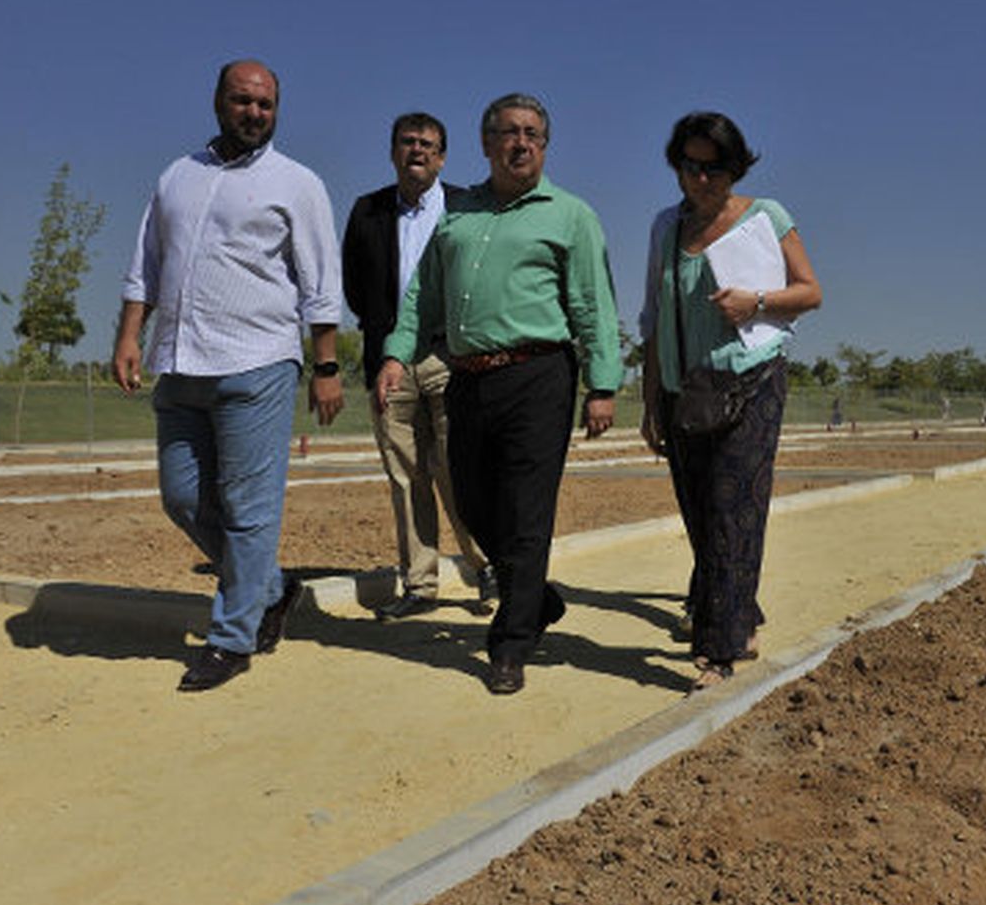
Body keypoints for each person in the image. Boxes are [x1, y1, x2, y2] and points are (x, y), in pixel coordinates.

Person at [377, 93, 622, 696]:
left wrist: (603, 383)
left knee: (527, 510)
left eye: (533, 134)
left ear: (544, 144)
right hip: (467, 376)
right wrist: (394, 352)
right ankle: (533, 598)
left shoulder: (571, 215)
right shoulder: (457, 216)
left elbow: (592, 303)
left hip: (539, 374)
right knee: (475, 503)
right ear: (487, 144)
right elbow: (420, 298)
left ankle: (510, 644)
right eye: (509, 133)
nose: (522, 143)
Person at [112, 59, 345, 692]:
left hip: (259, 362)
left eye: (266, 105)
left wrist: (326, 366)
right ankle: (270, 590)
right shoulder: (177, 176)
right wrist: (131, 334)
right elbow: (146, 264)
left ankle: (231, 639)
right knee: (182, 497)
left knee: (248, 511)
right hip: (181, 362)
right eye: (243, 102)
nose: (254, 114)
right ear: (218, 101)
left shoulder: (297, 183)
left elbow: (322, 286)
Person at [639, 111, 823, 692]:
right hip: (683, 391)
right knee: (700, 514)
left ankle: (717, 652)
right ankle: (738, 617)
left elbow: (810, 292)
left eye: (712, 168)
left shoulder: (767, 217)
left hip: (751, 380)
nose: (700, 180)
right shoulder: (666, 229)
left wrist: (757, 301)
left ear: (734, 167)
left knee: (733, 507)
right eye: (689, 167)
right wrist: (650, 400)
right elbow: (652, 317)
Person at [343, 112, 495, 620]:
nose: (418, 151)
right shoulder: (367, 212)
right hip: (389, 362)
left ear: (443, 156)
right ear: (392, 152)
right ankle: (420, 585)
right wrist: (388, 344)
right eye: (408, 143)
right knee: (405, 476)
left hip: (450, 357)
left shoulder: (467, 207)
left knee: (460, 470)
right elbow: (354, 288)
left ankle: (487, 567)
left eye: (428, 144)